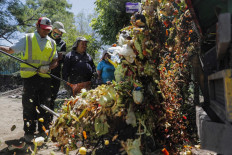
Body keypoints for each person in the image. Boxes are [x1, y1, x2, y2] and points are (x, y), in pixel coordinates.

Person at [0, 17, 58, 143]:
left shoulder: (52, 43)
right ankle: (29, 132)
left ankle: (43, 130)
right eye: (44, 29)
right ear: (37, 27)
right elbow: (10, 50)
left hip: (45, 79)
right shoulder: (27, 39)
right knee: (29, 106)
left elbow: (55, 61)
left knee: (45, 106)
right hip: (29, 78)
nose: (46, 32)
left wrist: (48, 67)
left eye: (48, 30)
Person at [48, 21, 66, 123]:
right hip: (43, 72)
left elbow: (61, 59)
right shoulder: (45, 39)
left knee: (52, 97)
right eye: (58, 31)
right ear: (53, 29)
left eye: (61, 32)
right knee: (42, 97)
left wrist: (58, 58)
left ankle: (49, 120)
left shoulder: (62, 43)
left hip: (55, 73)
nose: (59, 34)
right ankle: (40, 120)